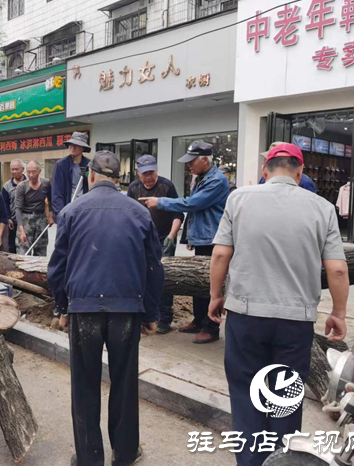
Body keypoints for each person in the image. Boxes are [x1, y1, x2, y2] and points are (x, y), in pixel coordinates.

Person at [208, 143, 348, 466]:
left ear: (264, 171)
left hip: (245, 316)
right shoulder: (322, 208)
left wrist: (216, 296)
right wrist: (338, 314)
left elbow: (219, 255)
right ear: (300, 173)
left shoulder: (238, 199)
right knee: (284, 404)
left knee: (246, 399)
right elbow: (337, 268)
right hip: (294, 323)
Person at [48, 151, 164, 466]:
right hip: (126, 310)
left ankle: (89, 458)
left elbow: (56, 269)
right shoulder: (139, 213)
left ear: (91, 176)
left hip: (83, 309)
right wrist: (152, 314)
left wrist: (61, 307)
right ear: (118, 179)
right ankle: (125, 454)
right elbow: (154, 268)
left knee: (85, 384)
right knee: (124, 383)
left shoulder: (72, 212)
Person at [139, 141, 229, 344]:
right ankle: (198, 319)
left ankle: (210, 327)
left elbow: (193, 204)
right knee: (198, 280)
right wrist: (189, 236)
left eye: (192, 161)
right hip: (202, 237)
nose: (188, 166)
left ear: (204, 160)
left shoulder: (216, 180)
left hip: (212, 239)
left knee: (209, 283)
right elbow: (196, 209)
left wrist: (160, 202)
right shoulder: (200, 177)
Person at [127, 154, 183, 334]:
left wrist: (172, 235)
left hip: (163, 240)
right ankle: (144, 316)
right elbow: (127, 213)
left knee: (163, 279)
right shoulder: (134, 188)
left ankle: (164, 318)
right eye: (144, 174)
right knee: (142, 278)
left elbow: (178, 213)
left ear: (157, 170)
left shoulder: (166, 186)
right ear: (138, 173)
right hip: (141, 241)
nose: (148, 177)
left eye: (151, 172)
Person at [15, 161, 53, 256]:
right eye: (28, 172)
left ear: (39, 171)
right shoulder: (21, 187)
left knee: (41, 251)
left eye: (33, 172)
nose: (31, 175)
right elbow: (18, 209)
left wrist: (50, 216)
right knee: (23, 252)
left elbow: (51, 200)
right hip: (26, 220)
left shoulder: (46, 183)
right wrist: (22, 231)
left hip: (41, 219)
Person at [51, 132, 91, 219]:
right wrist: (60, 214)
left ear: (83, 147)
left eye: (76, 145)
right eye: (71, 145)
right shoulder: (61, 165)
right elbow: (56, 193)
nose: (72, 147)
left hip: (84, 209)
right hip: (67, 208)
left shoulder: (89, 165)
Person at [1, 159, 27, 254]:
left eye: (16, 169)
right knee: (11, 247)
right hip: (13, 222)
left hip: (26, 221)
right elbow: (4, 203)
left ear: (23, 169)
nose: (14, 172)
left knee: (25, 246)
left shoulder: (28, 183)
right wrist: (8, 218)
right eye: (12, 169)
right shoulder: (7, 186)